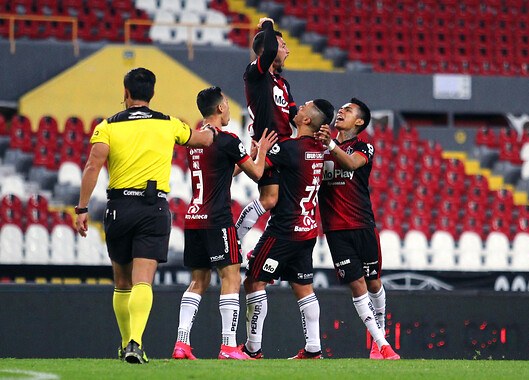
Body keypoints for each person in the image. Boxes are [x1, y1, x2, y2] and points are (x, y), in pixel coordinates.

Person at [74, 67, 216, 364]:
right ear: (151, 94)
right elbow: (203, 141)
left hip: (119, 208)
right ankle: (136, 343)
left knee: (122, 281)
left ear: (126, 93)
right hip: (153, 209)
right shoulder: (168, 123)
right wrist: (214, 125)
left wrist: (83, 208)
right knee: (142, 281)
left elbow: (92, 166)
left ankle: (126, 342)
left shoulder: (108, 126)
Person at [171, 86, 277, 360]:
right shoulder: (229, 139)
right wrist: (261, 152)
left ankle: (181, 343)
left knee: (198, 281)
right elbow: (257, 173)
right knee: (230, 277)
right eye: (227, 104)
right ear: (219, 108)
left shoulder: (195, 140)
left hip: (193, 218)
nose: (229, 109)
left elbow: (220, 172)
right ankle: (229, 346)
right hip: (218, 218)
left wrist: (246, 158)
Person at [240, 98, 335, 360]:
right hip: (307, 230)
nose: (298, 108)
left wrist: (258, 150)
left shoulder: (289, 148)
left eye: (304, 107)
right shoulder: (318, 148)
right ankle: (314, 348)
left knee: (253, 281)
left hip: (284, 231)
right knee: (303, 287)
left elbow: (256, 172)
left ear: (306, 121)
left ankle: (252, 349)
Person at [316, 98, 400, 360]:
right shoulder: (319, 149)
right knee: (357, 284)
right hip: (335, 229)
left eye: (348, 110)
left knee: (374, 282)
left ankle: (380, 336)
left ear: (360, 121)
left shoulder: (364, 146)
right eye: (340, 109)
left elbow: (351, 164)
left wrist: (329, 143)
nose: (341, 111)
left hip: (363, 224)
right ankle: (381, 344)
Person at [234, 17, 297, 241]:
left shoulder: (282, 83)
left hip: (284, 145)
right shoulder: (255, 73)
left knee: (276, 201)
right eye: (283, 46)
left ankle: (269, 243)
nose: (287, 51)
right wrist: (268, 26)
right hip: (269, 145)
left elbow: (294, 115)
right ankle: (235, 237)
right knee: (268, 198)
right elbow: (269, 47)